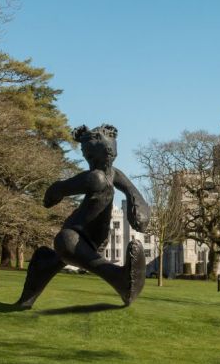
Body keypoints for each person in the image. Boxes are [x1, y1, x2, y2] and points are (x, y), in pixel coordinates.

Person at [16, 124, 150, 308]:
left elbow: (132, 192)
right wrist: (56, 192)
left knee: (56, 257)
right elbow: (59, 189)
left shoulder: (112, 174)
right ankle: (118, 279)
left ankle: (41, 270)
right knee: (65, 241)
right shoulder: (95, 177)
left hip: (94, 240)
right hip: (76, 236)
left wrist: (139, 211)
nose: (110, 155)